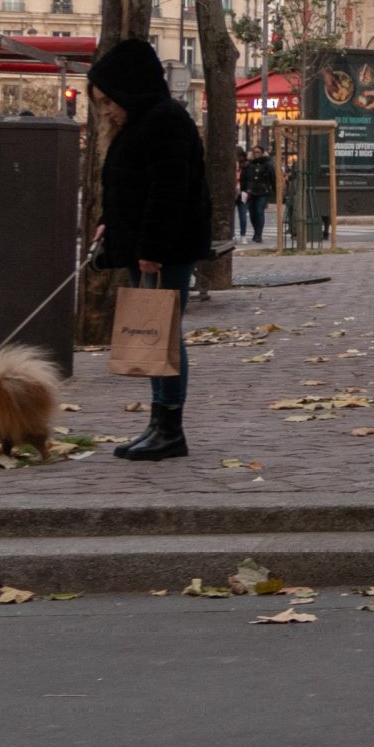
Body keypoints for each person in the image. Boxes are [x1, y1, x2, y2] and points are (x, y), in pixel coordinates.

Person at [87, 38, 211, 462]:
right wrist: (110, 220)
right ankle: (159, 423)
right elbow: (128, 184)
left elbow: (168, 190)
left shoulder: (164, 121)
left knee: (164, 334)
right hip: (146, 244)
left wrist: (152, 247)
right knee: (156, 333)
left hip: (164, 248)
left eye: (107, 100)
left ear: (127, 88)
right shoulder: (141, 122)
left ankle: (170, 426)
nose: (105, 110)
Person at [239, 145, 276, 245]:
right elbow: (243, 179)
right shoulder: (249, 165)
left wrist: (276, 193)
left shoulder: (268, 164)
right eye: (254, 152)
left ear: (262, 153)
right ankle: (256, 231)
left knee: (259, 211)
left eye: (258, 152)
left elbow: (273, 178)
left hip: (262, 191)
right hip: (250, 191)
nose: (256, 154)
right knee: (252, 213)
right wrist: (243, 190)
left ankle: (258, 234)